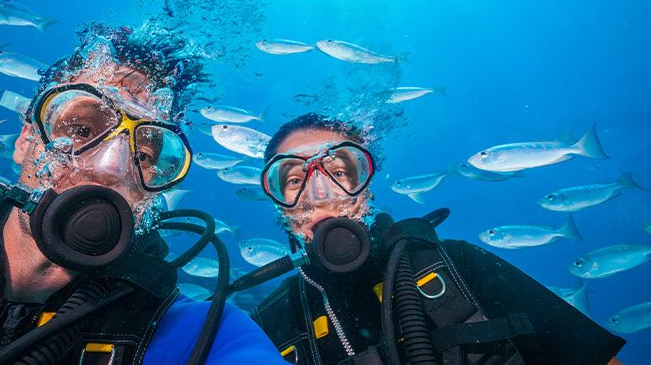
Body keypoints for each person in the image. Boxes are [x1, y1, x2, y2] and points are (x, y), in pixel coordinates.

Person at [0, 24, 284, 364]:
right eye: (79, 130)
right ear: (26, 138)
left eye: (146, 154)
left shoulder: (194, 329)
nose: (110, 168)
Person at [248, 113, 625, 365]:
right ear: (279, 205)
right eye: (294, 180)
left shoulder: (459, 267)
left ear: (365, 190)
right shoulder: (271, 322)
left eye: (339, 173)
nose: (319, 196)